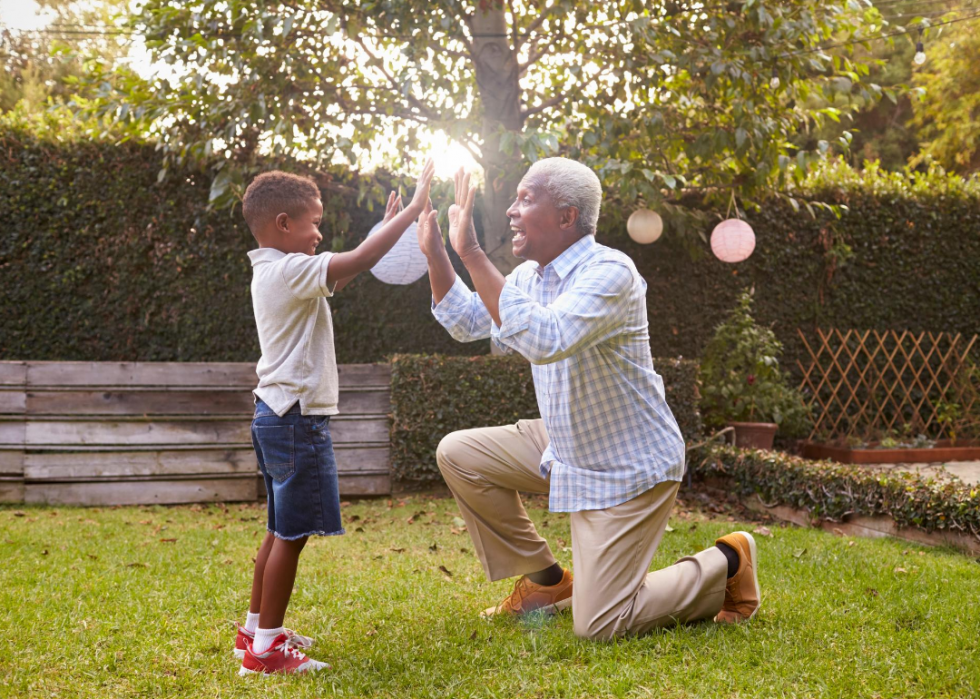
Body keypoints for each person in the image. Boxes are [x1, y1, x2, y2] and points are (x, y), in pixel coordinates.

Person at [415, 158, 760, 640]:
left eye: (525, 198)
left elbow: (545, 338)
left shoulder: (611, 272)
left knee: (600, 625)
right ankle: (548, 583)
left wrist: (471, 251)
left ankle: (726, 562)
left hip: (627, 465)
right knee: (459, 453)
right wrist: (436, 254)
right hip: (566, 443)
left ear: (566, 216)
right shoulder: (527, 278)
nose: (512, 211)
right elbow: (466, 321)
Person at [236, 160, 435, 674]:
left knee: (278, 528)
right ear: (283, 224)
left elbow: (348, 271)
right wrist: (412, 212)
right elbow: (357, 258)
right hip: (297, 418)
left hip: (275, 413)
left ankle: (254, 631)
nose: (319, 232)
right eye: (313, 223)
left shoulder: (275, 271)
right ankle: (267, 651)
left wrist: (383, 230)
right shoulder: (289, 270)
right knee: (292, 534)